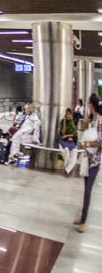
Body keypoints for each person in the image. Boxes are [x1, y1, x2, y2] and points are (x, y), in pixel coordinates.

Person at [75, 94, 102, 233]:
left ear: (91, 104)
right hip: (86, 159)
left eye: (89, 103)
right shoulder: (91, 119)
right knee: (85, 190)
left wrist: (88, 143)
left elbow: (100, 143)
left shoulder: (100, 120)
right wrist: (85, 123)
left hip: (95, 161)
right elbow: (86, 133)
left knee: (88, 191)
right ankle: (82, 217)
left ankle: (83, 221)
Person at [58, 108, 78, 175]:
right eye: (67, 114)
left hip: (71, 142)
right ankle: (68, 171)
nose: (68, 116)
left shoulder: (72, 122)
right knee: (66, 150)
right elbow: (63, 133)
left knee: (75, 152)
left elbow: (74, 134)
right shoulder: (62, 121)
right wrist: (64, 122)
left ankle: (67, 170)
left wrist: (67, 136)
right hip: (63, 142)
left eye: (69, 114)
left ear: (71, 115)